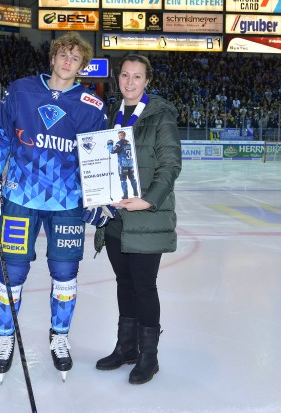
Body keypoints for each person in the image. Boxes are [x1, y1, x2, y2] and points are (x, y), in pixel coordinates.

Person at [0, 31, 107, 383]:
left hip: (67, 204)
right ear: (52, 57)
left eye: (75, 58)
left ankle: (59, 336)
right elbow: (1, 134)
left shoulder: (92, 106)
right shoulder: (20, 90)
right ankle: (5, 340)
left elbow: (99, 156)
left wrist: (100, 196)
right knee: (11, 273)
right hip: (21, 200)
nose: (67, 61)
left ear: (82, 66)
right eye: (63, 54)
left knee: (65, 275)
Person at [85, 54, 181, 385]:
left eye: (137, 77)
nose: (129, 82)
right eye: (125, 75)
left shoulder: (160, 116)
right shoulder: (111, 113)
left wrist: (148, 200)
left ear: (147, 81)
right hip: (115, 219)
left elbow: (170, 166)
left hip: (144, 217)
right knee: (124, 284)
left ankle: (149, 357)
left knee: (143, 286)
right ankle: (126, 347)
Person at [107, 129, 139, 199]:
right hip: (130, 164)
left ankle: (125, 195)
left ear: (123, 136)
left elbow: (112, 151)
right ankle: (136, 192)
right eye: (118, 136)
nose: (119, 137)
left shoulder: (120, 142)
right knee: (132, 178)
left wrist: (109, 144)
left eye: (120, 135)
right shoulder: (128, 142)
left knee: (123, 179)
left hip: (123, 164)